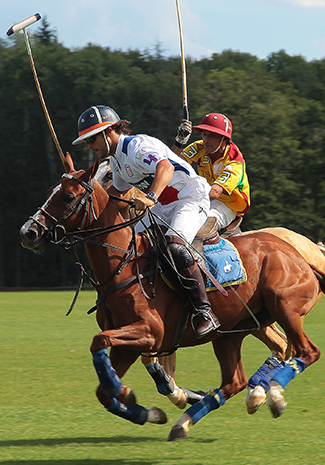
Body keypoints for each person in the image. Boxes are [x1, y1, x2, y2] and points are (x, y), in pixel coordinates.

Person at [73, 105, 220, 337]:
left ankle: (204, 311)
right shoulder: (118, 162)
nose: (90, 146)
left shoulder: (137, 146)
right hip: (164, 206)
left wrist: (151, 197)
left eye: (92, 140)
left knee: (175, 247)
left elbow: (166, 166)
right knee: (132, 245)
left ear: (109, 132)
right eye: (87, 142)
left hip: (190, 198)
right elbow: (116, 194)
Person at [172, 113, 250, 236]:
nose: (206, 140)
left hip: (227, 204)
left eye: (212, 136)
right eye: (204, 134)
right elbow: (172, 166)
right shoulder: (199, 147)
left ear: (224, 139)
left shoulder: (235, 161)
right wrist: (179, 142)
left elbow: (215, 192)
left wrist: (187, 197)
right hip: (204, 197)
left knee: (200, 225)